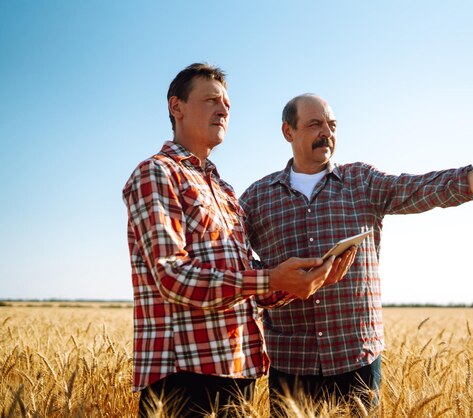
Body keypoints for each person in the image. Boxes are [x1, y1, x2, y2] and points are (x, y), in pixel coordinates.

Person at [239, 93, 473, 414]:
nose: (326, 133)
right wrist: (275, 285)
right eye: (315, 125)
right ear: (288, 130)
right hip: (292, 363)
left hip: (355, 358)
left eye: (332, 125)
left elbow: (428, 187)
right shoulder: (256, 199)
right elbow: (236, 262)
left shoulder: (362, 181)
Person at [122, 68, 354, 418]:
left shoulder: (225, 190)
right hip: (185, 378)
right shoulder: (156, 173)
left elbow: (246, 278)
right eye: (212, 100)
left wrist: (308, 279)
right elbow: (172, 277)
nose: (224, 109)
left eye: (227, 103)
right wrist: (271, 278)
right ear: (177, 107)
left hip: (238, 372)